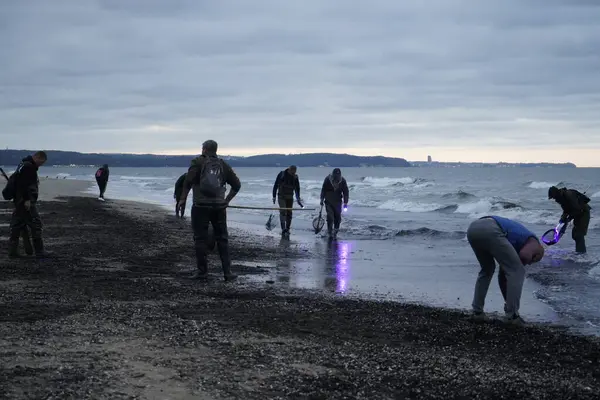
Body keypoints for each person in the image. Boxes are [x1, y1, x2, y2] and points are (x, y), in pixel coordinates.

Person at [178, 140, 241, 281]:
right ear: (215, 150)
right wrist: (226, 201)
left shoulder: (198, 162)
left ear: (204, 149)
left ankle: (202, 272)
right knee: (222, 239)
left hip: (200, 206)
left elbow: (188, 182)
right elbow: (237, 185)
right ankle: (227, 273)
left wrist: (183, 199)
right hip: (219, 207)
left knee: (200, 238)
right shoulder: (223, 165)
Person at [466, 215, 545, 324]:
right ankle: (512, 316)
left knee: (487, 269)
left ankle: (477, 312)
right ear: (539, 252)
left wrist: (508, 301)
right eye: (534, 259)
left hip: (473, 228)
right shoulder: (534, 242)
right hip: (492, 228)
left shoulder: (517, 241)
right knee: (518, 271)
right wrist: (523, 262)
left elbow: (504, 278)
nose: (530, 262)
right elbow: (525, 255)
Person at [8, 151, 52, 258]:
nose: (40, 165)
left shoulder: (22, 165)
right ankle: (39, 251)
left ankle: (13, 251)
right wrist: (27, 199)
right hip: (25, 201)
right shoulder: (29, 167)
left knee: (17, 225)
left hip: (18, 200)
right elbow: (23, 184)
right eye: (41, 162)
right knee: (36, 224)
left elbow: (18, 182)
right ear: (36, 157)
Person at [548, 186, 591, 253]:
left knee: (579, 234)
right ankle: (579, 252)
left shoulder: (569, 195)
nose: (554, 199)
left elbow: (577, 209)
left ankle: (581, 254)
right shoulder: (561, 198)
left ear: (556, 193)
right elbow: (566, 210)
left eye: (553, 197)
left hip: (583, 213)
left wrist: (568, 219)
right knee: (575, 235)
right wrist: (562, 218)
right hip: (578, 214)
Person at [272, 165, 302, 236]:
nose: (293, 174)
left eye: (294, 172)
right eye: (292, 172)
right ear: (289, 170)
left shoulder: (295, 177)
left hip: (290, 197)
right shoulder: (282, 174)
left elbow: (297, 189)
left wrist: (298, 199)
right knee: (283, 211)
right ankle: (283, 229)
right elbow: (276, 185)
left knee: (289, 213)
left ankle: (287, 229)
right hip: (281, 196)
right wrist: (274, 196)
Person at [319, 168, 349, 239]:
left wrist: (345, 203)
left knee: (338, 217)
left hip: (338, 202)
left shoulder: (343, 181)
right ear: (333, 175)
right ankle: (329, 232)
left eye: (338, 176)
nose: (336, 178)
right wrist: (321, 199)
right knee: (330, 217)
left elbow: (346, 192)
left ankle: (335, 231)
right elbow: (323, 189)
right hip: (328, 201)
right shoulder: (327, 179)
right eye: (335, 176)